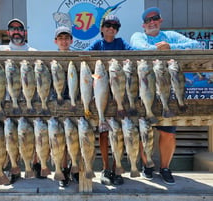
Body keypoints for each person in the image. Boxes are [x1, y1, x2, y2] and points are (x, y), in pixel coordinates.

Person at [130, 7, 201, 185]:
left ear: (160, 21)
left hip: (168, 93)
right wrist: (161, 50)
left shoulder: (172, 36)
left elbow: (197, 45)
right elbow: (140, 48)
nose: (151, 22)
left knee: (168, 133)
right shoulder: (138, 36)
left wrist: (171, 47)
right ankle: (146, 166)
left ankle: (165, 168)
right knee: (143, 132)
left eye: (155, 19)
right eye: (148, 21)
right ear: (143, 25)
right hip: (144, 92)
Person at [0, 18, 45, 179]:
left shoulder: (33, 52)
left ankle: (34, 165)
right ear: (8, 33)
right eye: (12, 29)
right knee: (8, 137)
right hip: (6, 103)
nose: (16, 31)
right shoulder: (1, 49)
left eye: (19, 29)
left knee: (29, 137)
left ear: (24, 32)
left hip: (27, 103)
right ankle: (11, 169)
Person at [86, 14, 134, 186]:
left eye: (115, 26)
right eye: (108, 25)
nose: (111, 28)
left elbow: (136, 54)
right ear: (102, 27)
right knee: (104, 133)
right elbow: (83, 58)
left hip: (119, 94)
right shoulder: (97, 45)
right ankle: (106, 168)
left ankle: (117, 168)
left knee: (119, 134)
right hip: (102, 94)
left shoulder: (122, 43)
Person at [53, 26, 79, 187]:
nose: (63, 41)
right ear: (55, 41)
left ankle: (75, 169)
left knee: (75, 139)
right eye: (60, 38)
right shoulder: (50, 60)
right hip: (57, 104)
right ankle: (62, 170)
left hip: (75, 104)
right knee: (60, 141)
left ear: (71, 41)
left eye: (66, 38)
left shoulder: (76, 58)